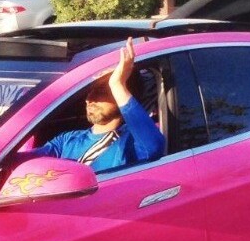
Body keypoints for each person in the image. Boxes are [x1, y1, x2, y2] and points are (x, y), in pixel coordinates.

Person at [34, 40, 164, 171]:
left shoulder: (131, 141)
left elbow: (154, 148)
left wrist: (116, 84)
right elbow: (24, 160)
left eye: (101, 92)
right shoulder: (67, 140)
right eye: (89, 91)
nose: (89, 99)